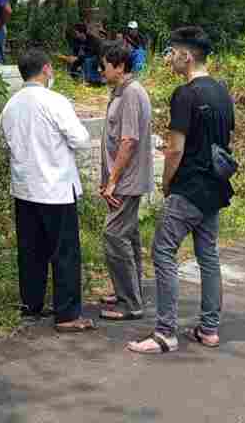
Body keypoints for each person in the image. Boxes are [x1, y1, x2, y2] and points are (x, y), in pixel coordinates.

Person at [127, 26, 233, 354]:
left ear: (187, 56)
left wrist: (167, 183)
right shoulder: (221, 92)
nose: (169, 58)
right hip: (215, 187)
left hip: (189, 187)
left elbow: (175, 150)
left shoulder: (185, 94)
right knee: (208, 255)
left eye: (172, 52)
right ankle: (209, 329)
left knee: (163, 251)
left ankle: (165, 332)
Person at [0, 48, 96, 332]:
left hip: (24, 189)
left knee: (31, 250)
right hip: (55, 189)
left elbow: (7, 145)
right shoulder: (55, 102)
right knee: (64, 252)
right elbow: (79, 139)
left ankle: (32, 305)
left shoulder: (10, 106)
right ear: (46, 69)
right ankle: (66, 314)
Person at [96, 42, 153, 322]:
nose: (101, 70)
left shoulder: (131, 93)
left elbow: (129, 141)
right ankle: (128, 293)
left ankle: (130, 303)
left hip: (127, 182)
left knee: (114, 235)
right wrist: (106, 178)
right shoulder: (120, 91)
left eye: (105, 65)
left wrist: (113, 181)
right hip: (120, 180)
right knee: (127, 236)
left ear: (119, 66)